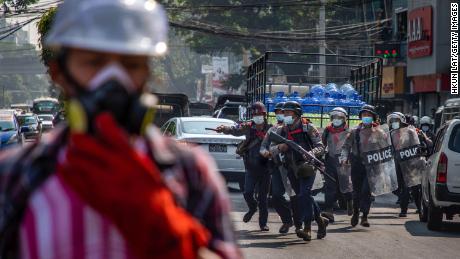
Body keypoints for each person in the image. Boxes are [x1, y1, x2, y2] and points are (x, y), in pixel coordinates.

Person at [0, 1, 240, 258]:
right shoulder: (16, 174)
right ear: (60, 74)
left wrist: (164, 219)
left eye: (131, 65)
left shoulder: (191, 172)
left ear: (147, 73)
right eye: (93, 62)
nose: (113, 79)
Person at [274, 101, 328, 241]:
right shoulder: (282, 130)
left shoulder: (308, 127)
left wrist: (310, 153)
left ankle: (307, 228)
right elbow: (271, 147)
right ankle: (321, 221)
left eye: (288, 113)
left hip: (307, 167)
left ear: (297, 114)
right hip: (291, 168)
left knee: (305, 194)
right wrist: (280, 147)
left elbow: (321, 147)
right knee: (303, 197)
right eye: (284, 113)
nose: (285, 115)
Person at [216, 102, 271, 231]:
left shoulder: (272, 128)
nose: (257, 116)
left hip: (266, 168)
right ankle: (252, 208)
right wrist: (223, 128)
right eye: (255, 114)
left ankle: (263, 223)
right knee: (247, 192)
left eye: (259, 114)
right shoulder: (248, 127)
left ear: (264, 115)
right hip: (251, 166)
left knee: (263, 197)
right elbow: (235, 130)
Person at [340, 105, 380, 228]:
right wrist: (344, 158)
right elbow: (346, 146)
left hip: (372, 166)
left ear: (373, 117)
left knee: (366, 191)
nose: (366, 117)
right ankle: (356, 213)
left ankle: (365, 216)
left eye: (369, 115)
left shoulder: (380, 132)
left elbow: (385, 148)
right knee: (356, 192)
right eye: (364, 115)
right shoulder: (354, 131)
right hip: (357, 164)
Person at [260, 102, 294, 234]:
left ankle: (313, 218)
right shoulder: (272, 130)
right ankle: (287, 220)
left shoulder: (300, 127)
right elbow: (263, 147)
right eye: (280, 112)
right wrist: (267, 153)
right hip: (278, 167)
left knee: (300, 196)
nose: (282, 115)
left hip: (295, 167)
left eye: (285, 112)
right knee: (276, 196)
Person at [321, 107, 353, 223]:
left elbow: (352, 147)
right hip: (330, 160)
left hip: (344, 162)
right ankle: (329, 211)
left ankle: (350, 202)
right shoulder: (327, 130)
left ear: (344, 119)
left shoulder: (350, 132)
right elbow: (322, 145)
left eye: (339, 117)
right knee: (330, 187)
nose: (337, 120)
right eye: (334, 117)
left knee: (346, 186)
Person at [388, 112, 422, 217]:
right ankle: (403, 210)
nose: (394, 123)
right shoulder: (392, 133)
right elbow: (391, 149)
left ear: (402, 120)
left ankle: (420, 208)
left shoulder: (411, 131)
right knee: (403, 188)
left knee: (415, 188)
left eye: (396, 120)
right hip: (398, 163)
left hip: (411, 162)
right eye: (392, 121)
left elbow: (417, 146)